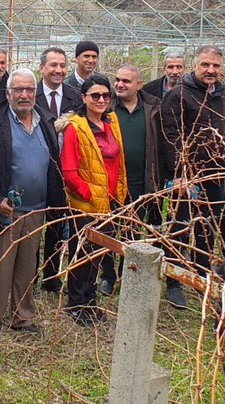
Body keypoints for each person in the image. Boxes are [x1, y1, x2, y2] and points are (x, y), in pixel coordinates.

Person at [0, 68, 64, 338]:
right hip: (6, 210)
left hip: (37, 209)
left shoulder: (45, 121)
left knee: (27, 267)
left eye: (29, 90)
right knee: (1, 267)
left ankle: (22, 318)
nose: (24, 95)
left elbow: (53, 164)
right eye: (18, 90)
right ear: (8, 92)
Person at [160, 46, 225, 293]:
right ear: (195, 66)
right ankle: (173, 280)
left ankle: (201, 275)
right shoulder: (180, 94)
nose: (211, 70)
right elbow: (170, 136)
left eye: (215, 65)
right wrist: (179, 174)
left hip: (214, 173)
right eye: (205, 65)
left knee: (206, 228)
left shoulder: (223, 94)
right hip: (187, 175)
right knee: (180, 226)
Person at [61, 73, 126, 326]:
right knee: (83, 255)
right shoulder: (75, 127)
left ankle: (90, 301)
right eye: (95, 95)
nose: (101, 100)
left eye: (105, 95)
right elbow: (69, 171)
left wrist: (118, 193)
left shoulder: (111, 122)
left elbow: (118, 161)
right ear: (84, 97)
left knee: (98, 255)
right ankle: (77, 304)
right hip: (86, 204)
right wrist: (89, 194)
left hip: (108, 203)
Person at [98, 64, 165, 298]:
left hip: (140, 182)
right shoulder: (107, 108)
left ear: (139, 85)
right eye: (117, 79)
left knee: (132, 230)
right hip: (111, 182)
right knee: (108, 229)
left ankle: (126, 273)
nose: (119, 84)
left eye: (126, 81)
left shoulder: (152, 108)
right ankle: (107, 276)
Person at [34, 46, 82, 293]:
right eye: (53, 65)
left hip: (63, 171)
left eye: (62, 65)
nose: (58, 70)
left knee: (56, 222)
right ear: (42, 68)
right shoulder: (30, 95)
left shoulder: (76, 97)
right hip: (35, 169)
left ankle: (51, 276)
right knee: (32, 223)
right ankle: (29, 275)